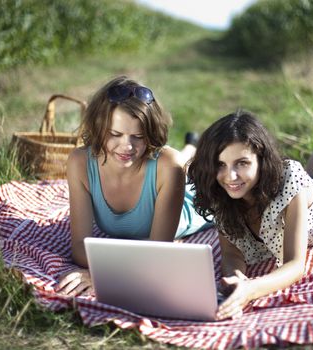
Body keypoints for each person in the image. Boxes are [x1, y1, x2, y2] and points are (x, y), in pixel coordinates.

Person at [187, 110, 313, 320]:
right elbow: (232, 254)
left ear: (261, 159)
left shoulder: (289, 179)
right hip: (306, 191)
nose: (230, 176)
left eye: (242, 163)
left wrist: (250, 289)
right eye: (220, 164)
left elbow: (295, 264)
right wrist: (236, 279)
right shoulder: (221, 191)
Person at [57, 76, 211, 296]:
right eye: (115, 134)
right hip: (165, 172)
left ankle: (191, 151)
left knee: (187, 167)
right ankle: (190, 147)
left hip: (190, 200)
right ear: (99, 129)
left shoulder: (169, 166)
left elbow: (158, 255)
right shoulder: (79, 162)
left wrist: (105, 274)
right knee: (177, 160)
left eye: (138, 136)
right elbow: (79, 248)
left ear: (149, 135)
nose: (126, 146)